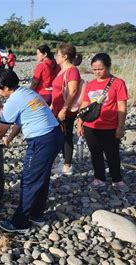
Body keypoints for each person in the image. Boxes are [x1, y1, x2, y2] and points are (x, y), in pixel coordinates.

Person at [0, 69, 63, 233]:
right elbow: (20, 121)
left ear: (4, 87)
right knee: (41, 177)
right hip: (54, 135)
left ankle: (21, 223)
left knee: (29, 179)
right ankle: (36, 214)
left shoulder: (13, 101)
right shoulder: (26, 92)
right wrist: (10, 139)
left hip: (41, 140)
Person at [76, 53, 130, 192]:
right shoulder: (91, 84)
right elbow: (85, 105)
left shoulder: (118, 83)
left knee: (112, 154)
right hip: (91, 126)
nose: (97, 72)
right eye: (94, 69)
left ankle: (117, 179)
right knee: (95, 153)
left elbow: (122, 107)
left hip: (110, 126)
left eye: (100, 69)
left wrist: (120, 127)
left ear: (108, 66)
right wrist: (80, 122)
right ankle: (99, 178)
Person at [51, 43, 82, 175]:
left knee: (66, 135)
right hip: (58, 108)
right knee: (61, 135)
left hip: (66, 110)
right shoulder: (62, 70)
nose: (56, 57)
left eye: (57, 54)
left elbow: (73, 91)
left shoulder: (72, 70)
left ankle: (67, 165)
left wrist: (64, 108)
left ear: (64, 56)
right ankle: (64, 161)